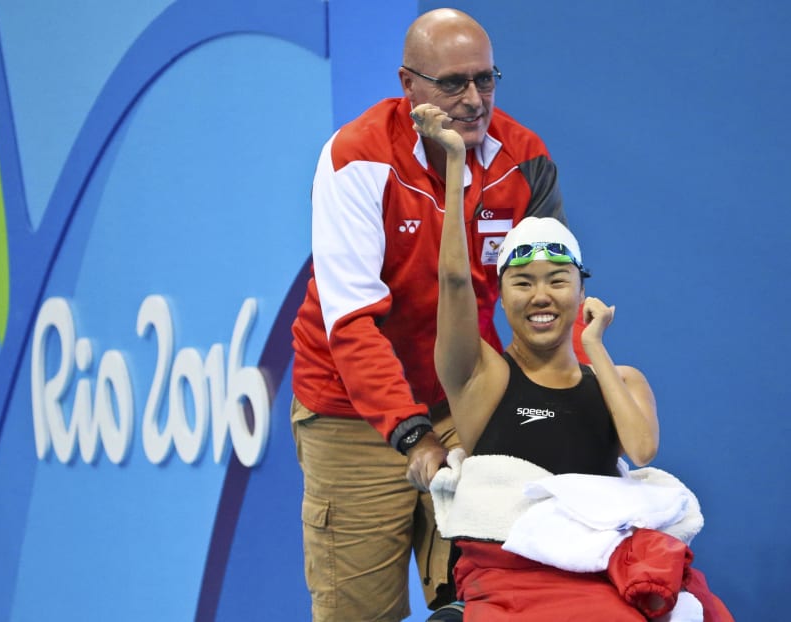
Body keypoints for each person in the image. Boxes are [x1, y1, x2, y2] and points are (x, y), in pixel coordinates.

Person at [290, 8, 570, 621]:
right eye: (451, 84)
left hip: (460, 396)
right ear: (407, 84)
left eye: (485, 79)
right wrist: (412, 435)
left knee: (493, 599)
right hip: (351, 415)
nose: (473, 99)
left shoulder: (524, 158)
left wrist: (559, 405)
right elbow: (351, 324)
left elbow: (546, 299)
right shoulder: (356, 159)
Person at [411, 103, 733, 621]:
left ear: (581, 291)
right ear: (500, 296)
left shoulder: (621, 379)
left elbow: (642, 450)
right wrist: (454, 163)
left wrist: (596, 348)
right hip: (512, 577)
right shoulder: (482, 377)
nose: (541, 296)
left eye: (558, 281)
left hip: (603, 573)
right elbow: (451, 281)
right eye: (523, 282)